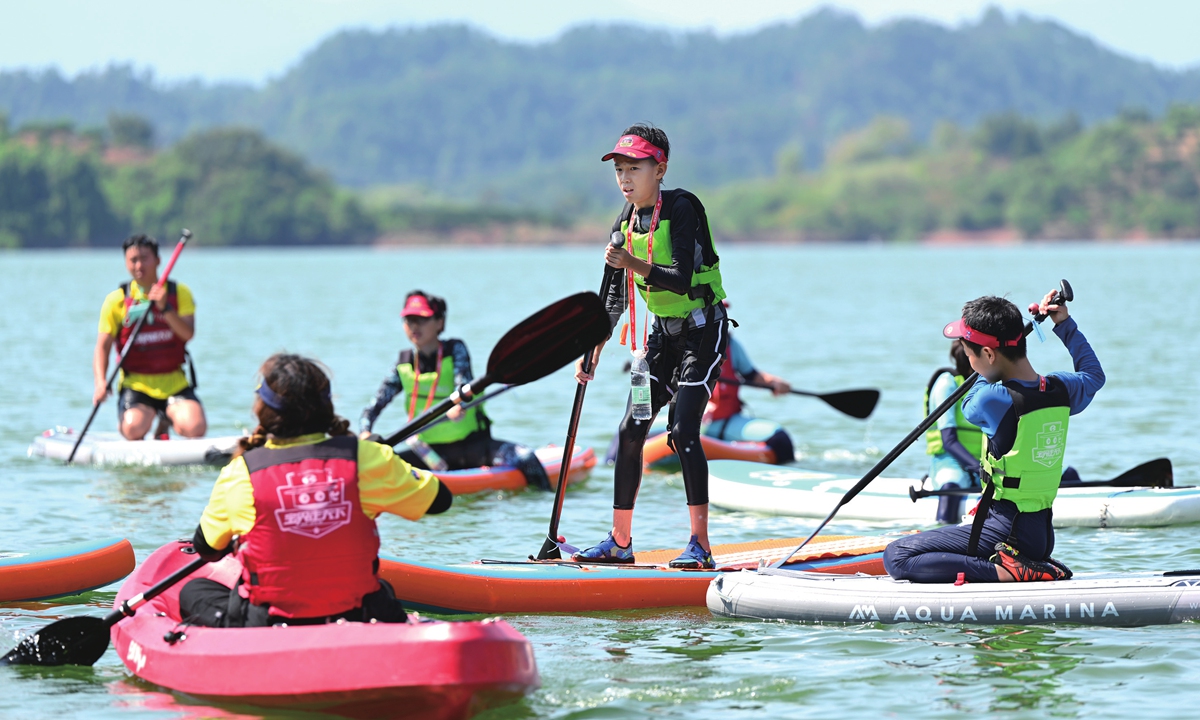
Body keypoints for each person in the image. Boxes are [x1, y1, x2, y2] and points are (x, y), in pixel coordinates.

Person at [179, 353, 453, 627]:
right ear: (326, 406)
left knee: (193, 592)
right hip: (359, 615)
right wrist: (386, 459)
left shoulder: (240, 472)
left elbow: (208, 549)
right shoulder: (367, 458)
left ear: (262, 409)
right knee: (384, 591)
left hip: (269, 623)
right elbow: (440, 500)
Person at [573, 123, 729, 569]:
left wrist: (631, 261)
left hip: (703, 331)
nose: (625, 178)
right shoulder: (624, 222)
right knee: (629, 430)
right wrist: (594, 351)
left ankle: (700, 546)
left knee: (682, 432)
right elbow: (612, 298)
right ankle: (620, 542)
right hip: (659, 339)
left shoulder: (683, 208)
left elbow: (679, 279)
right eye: (619, 170)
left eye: (634, 168)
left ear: (659, 169)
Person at [883, 290, 1104, 583]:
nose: (969, 362)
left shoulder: (991, 399)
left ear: (988, 354)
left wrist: (988, 368)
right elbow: (1094, 375)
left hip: (1003, 534)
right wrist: (1064, 325)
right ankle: (1027, 565)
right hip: (1039, 535)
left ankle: (1005, 571)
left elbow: (970, 403)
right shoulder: (1061, 388)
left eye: (970, 354)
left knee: (897, 555)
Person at [358, 291, 550, 489]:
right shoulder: (404, 364)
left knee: (526, 458)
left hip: (475, 447)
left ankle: (549, 503)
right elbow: (374, 405)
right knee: (374, 468)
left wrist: (459, 402)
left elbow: (463, 384)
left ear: (440, 322)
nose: (414, 326)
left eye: (422, 319)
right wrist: (365, 431)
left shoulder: (455, 349)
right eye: (409, 320)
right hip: (429, 454)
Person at [94, 234, 206, 440]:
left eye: (144, 258)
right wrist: (101, 382)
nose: (139, 265)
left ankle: (166, 418)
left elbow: (187, 334)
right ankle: (150, 417)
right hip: (136, 384)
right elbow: (103, 346)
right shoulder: (116, 300)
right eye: (133, 260)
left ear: (158, 260)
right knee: (132, 430)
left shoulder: (179, 293)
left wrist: (166, 308)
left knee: (196, 428)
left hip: (174, 382)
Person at [704, 330, 795, 463]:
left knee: (780, 440)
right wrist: (698, 404)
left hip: (725, 419)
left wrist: (774, 382)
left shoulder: (730, 344)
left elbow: (752, 375)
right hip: (695, 421)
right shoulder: (678, 342)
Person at [922, 341, 985, 524]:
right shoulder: (947, 384)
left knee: (1067, 473)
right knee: (951, 486)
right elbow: (948, 441)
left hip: (984, 460)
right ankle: (941, 533)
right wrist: (978, 469)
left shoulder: (987, 384)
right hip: (950, 460)